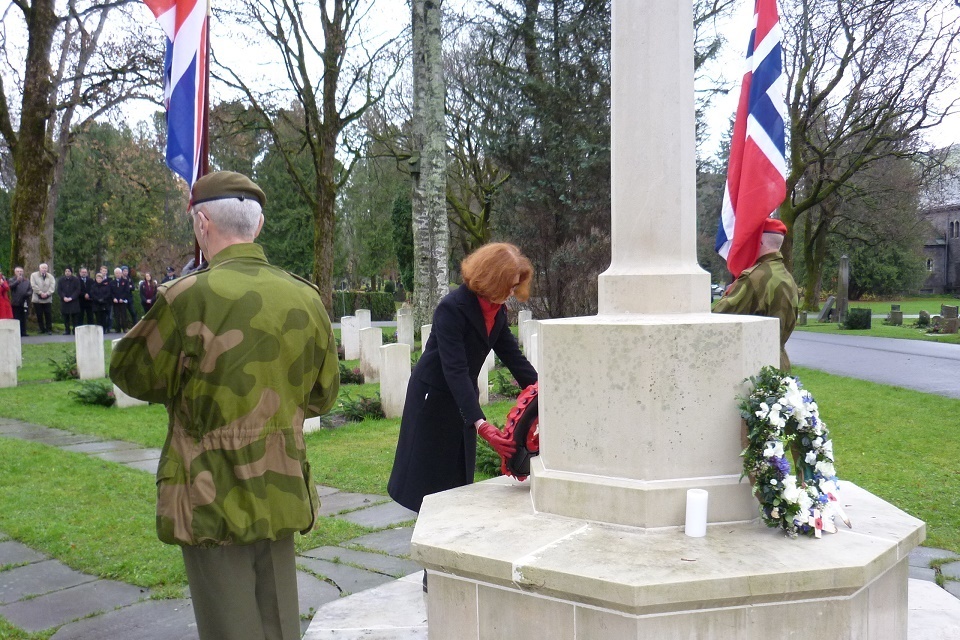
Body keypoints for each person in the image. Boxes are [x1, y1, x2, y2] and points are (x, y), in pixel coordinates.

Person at [110, 171, 339, 640]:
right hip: (281, 484)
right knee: (279, 624)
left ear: (202, 224)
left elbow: (131, 374)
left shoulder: (186, 297)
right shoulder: (306, 297)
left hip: (209, 489)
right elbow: (323, 394)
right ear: (257, 227)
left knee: (229, 628)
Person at [387, 242, 538, 517]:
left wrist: (542, 392)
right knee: (431, 480)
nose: (511, 294)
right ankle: (429, 544)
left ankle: (447, 536)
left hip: (461, 396)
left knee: (458, 476)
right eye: (508, 286)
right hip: (433, 398)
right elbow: (454, 369)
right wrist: (482, 424)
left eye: (515, 287)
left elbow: (513, 357)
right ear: (492, 278)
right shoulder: (452, 308)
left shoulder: (498, 311)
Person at [713, 217, 800, 370]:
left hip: (756, 365)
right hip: (779, 363)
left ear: (759, 242)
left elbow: (718, 316)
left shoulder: (754, 277)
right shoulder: (787, 277)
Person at [30, 263, 56, 335]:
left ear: (47, 269)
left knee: (48, 314)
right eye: (42, 268)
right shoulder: (33, 275)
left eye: (45, 268)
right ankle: (41, 328)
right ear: (39, 268)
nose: (44, 269)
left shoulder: (50, 277)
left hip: (47, 299)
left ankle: (49, 329)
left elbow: (52, 286)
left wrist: (47, 293)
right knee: (39, 314)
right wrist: (40, 293)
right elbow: (33, 285)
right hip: (37, 299)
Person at [57, 267, 82, 335]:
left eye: (68, 271)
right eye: (66, 271)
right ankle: (67, 330)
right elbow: (59, 290)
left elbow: (78, 290)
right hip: (64, 301)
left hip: (74, 301)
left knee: (75, 317)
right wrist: (64, 297)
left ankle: (75, 330)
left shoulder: (76, 280)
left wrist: (72, 297)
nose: (67, 272)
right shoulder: (61, 280)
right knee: (65, 316)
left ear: (71, 272)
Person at [9, 267, 32, 336]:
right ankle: (16, 332)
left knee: (24, 317)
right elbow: (10, 287)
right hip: (15, 302)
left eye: (21, 271)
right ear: (15, 272)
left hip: (24, 302)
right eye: (18, 271)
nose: (20, 273)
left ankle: (23, 332)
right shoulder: (12, 280)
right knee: (16, 317)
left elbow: (30, 290)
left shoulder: (26, 280)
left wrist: (27, 294)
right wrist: (17, 281)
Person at [110, 267, 130, 333]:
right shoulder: (112, 282)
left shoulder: (125, 281)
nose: (118, 274)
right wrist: (114, 298)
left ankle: (125, 328)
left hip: (123, 301)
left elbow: (126, 291)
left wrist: (122, 298)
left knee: (124, 315)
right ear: (114, 274)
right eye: (116, 273)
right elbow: (111, 292)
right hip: (115, 302)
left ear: (121, 273)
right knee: (116, 315)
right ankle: (117, 328)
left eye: (119, 273)